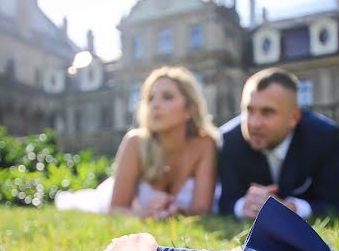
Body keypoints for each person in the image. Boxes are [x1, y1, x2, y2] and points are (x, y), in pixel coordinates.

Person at [55, 66, 218, 219]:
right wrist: (147, 214)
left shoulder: (205, 144)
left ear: (190, 109)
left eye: (167, 97)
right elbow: (116, 208)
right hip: (121, 205)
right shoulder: (135, 142)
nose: (155, 105)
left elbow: (202, 210)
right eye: (151, 98)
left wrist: (176, 211)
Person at [218, 67, 339, 220]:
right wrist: (243, 206)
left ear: (294, 118)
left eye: (267, 112)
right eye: (249, 110)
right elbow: (226, 201)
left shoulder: (324, 136)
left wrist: (293, 207)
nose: (254, 123)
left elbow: (337, 204)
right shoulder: (229, 138)